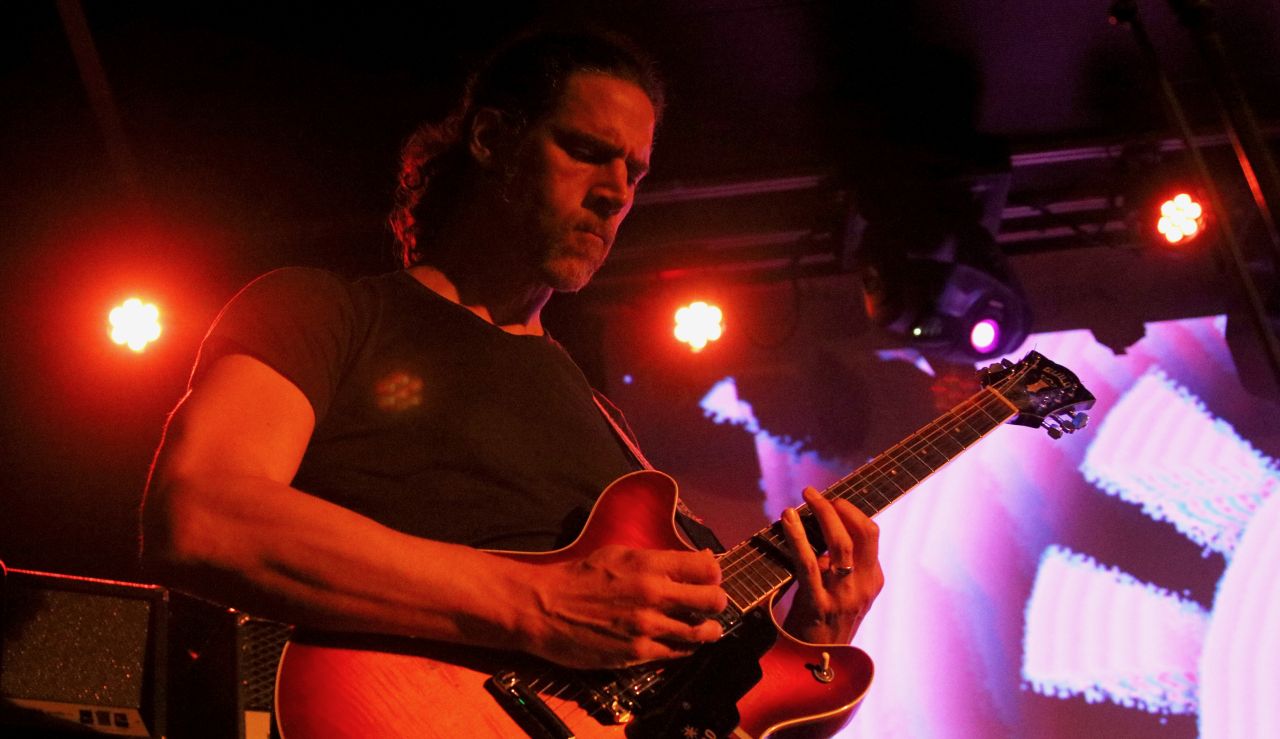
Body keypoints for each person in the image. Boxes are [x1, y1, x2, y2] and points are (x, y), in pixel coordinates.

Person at [140, 26, 882, 714]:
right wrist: (534, 603)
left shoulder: (606, 422)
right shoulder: (327, 311)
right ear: (493, 138)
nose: (616, 192)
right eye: (587, 150)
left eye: (635, 172)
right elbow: (202, 513)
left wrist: (816, 640)